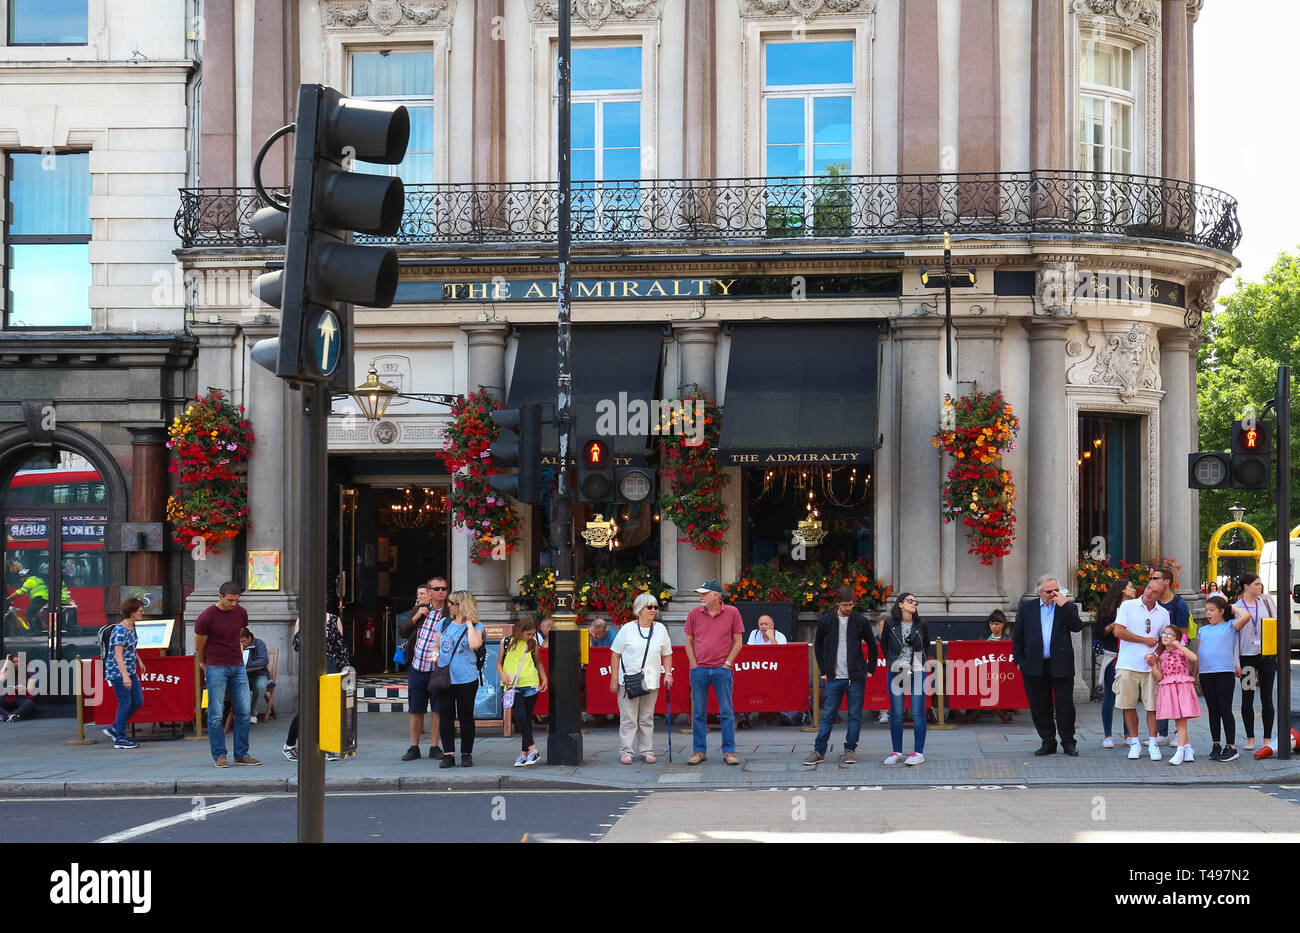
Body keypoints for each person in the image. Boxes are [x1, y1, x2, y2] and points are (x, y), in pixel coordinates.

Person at [805, 586, 878, 766]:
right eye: (845, 605)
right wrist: (823, 670)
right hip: (834, 676)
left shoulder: (860, 620)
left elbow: (873, 644)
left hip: (856, 676)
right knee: (828, 715)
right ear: (837, 603)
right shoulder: (827, 620)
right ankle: (819, 750)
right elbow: (819, 645)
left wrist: (870, 669)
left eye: (851, 604)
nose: (848, 608)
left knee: (854, 715)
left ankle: (850, 749)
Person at [1012, 575, 1083, 756]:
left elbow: (1076, 627)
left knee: (1065, 705)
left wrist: (1065, 605)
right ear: (1039, 592)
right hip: (1034, 664)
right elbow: (1018, 636)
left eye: (1056, 590)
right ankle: (1048, 741)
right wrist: (1019, 660)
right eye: (1049, 591)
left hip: (1060, 663)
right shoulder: (1028, 608)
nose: (1053, 594)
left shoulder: (1066, 607)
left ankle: (1068, 742)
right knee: (1039, 705)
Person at [195, 582, 259, 768]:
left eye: (236, 601)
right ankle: (220, 756)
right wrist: (203, 662)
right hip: (216, 666)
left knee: (244, 712)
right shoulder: (206, 617)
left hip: (237, 665)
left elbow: (238, 633)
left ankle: (241, 754)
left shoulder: (241, 612)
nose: (233, 604)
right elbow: (199, 644)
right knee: (215, 713)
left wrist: (238, 648)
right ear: (220, 596)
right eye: (230, 600)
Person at [684, 579, 744, 766]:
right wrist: (694, 664)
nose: (700, 597)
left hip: (721, 668)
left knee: (726, 711)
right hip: (700, 669)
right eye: (700, 594)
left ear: (716, 595)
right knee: (698, 713)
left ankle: (729, 751)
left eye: (704, 593)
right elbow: (688, 641)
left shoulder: (732, 612)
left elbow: (738, 641)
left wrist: (727, 663)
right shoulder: (694, 613)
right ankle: (699, 751)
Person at [609, 593, 674, 765]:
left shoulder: (660, 629)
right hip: (629, 679)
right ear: (639, 610)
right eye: (649, 607)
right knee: (629, 718)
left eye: (655, 607)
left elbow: (667, 654)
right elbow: (615, 654)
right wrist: (614, 678)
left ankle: (647, 750)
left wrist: (668, 673)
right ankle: (627, 751)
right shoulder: (627, 629)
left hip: (651, 678)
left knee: (647, 717)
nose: (654, 610)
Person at [281, 612, 350, 761]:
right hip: (310, 666)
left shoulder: (333, 619)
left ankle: (327, 746)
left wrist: (345, 670)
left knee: (329, 709)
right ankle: (289, 744)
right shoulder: (303, 619)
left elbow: (341, 648)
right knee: (308, 709)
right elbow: (297, 645)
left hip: (330, 665)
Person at [1112, 580, 1169, 761]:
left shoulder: (1164, 613)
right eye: (1148, 588)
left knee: (1152, 707)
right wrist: (1144, 640)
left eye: (1154, 592)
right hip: (1127, 663)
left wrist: (1156, 654)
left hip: (1150, 666)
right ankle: (1134, 742)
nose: (1149, 593)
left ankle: (1153, 742)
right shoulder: (1128, 606)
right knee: (1127, 705)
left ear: (1160, 596)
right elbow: (1118, 632)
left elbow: (1164, 639)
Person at [396, 579, 450, 761]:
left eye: (444, 589)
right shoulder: (421, 609)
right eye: (437, 589)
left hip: (438, 669)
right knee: (416, 708)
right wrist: (416, 615)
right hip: (417, 666)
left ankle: (435, 746)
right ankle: (414, 746)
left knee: (437, 708)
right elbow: (402, 631)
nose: (441, 592)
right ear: (429, 591)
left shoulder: (449, 612)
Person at [1195, 594, 1251, 762]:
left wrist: (1230, 606)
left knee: (1224, 709)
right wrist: (1194, 675)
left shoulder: (1230, 626)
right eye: (1206, 610)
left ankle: (1231, 747)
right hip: (1206, 674)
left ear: (1221, 611)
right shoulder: (1202, 630)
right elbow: (1198, 653)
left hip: (1224, 673)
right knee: (1213, 710)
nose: (1208, 613)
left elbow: (1246, 616)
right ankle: (1216, 744)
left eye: (1212, 610)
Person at [879, 593, 932, 765]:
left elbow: (927, 645)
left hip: (917, 668)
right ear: (900, 604)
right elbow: (884, 645)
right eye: (910, 600)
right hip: (896, 669)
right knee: (897, 713)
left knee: (918, 712)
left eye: (916, 601)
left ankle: (918, 752)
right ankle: (897, 752)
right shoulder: (890, 624)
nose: (914, 603)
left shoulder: (921, 623)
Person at [434, 590, 485, 768]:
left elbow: (474, 645)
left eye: (452, 603)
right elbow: (437, 644)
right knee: (446, 717)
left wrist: (469, 624)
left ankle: (466, 754)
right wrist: (434, 655)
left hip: (467, 678)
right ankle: (448, 754)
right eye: (449, 603)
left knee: (465, 717)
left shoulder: (477, 626)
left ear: (462, 605)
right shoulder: (444, 622)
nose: (449, 606)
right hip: (445, 678)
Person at [1233, 572, 1277, 751]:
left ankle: (1267, 738)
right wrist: (1236, 661)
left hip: (1266, 655)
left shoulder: (1266, 602)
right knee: (1248, 696)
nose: (1260, 587)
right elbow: (1234, 636)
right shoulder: (1236, 607)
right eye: (1256, 584)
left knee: (1267, 696)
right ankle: (1250, 738)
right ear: (1246, 586)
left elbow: (1275, 625)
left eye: (1260, 584)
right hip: (1247, 656)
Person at [498, 617, 549, 767]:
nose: (530, 637)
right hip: (512, 686)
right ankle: (533, 749)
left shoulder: (532, 644)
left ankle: (523, 754)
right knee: (520, 717)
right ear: (520, 631)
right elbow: (498, 664)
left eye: (533, 634)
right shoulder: (505, 642)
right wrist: (502, 675)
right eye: (528, 634)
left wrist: (544, 678)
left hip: (530, 684)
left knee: (526, 718)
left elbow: (538, 663)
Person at [1093, 579, 1136, 748]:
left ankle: (1128, 735)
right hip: (1113, 655)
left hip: (1129, 656)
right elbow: (1098, 632)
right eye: (1131, 587)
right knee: (1110, 697)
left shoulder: (1135, 608)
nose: (1134, 589)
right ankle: (1108, 735)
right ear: (1122, 590)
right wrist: (1114, 625)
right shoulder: (1108, 611)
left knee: (1129, 698)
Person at [1148, 625, 1199, 765]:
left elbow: (1193, 658)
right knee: (1178, 720)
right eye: (1164, 633)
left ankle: (1180, 750)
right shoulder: (1161, 655)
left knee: (1181, 720)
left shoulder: (1181, 651)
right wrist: (1152, 665)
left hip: (1182, 687)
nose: (1165, 636)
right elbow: (1159, 676)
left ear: (1176, 638)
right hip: (1169, 688)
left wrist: (1180, 645)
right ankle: (1188, 749)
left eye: (1169, 634)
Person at [1149, 567, 1189, 745]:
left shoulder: (1179, 604)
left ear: (1167, 581)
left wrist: (1177, 649)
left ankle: (1177, 732)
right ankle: (1161, 732)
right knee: (1162, 693)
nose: (1153, 581)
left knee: (1178, 693)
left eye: (1157, 578)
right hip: (1160, 653)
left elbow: (1184, 633)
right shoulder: (1154, 603)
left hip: (1175, 654)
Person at [101, 598, 148, 747]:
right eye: (140, 610)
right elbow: (118, 654)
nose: (142, 613)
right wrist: (125, 676)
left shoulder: (132, 627)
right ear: (132, 612)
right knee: (125, 702)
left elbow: (131, 647)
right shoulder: (120, 630)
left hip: (129, 670)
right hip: (118, 672)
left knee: (138, 701)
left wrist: (138, 660)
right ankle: (120, 738)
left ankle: (115, 728)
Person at [240, 627, 270, 724]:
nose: (242, 644)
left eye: (243, 641)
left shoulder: (258, 643)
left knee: (260, 686)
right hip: (242, 675)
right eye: (239, 642)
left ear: (249, 638)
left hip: (259, 674)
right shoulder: (236, 645)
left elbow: (263, 661)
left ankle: (253, 713)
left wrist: (247, 664)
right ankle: (241, 713)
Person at [0, 652, 38, 722]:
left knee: (30, 703)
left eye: (18, 661)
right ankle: (9, 716)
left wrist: (24, 688)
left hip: (22, 699)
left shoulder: (30, 670)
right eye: (14, 662)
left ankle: (8, 715)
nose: (16, 664)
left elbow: (30, 689)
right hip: (10, 698)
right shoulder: (11, 670)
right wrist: (6, 662)